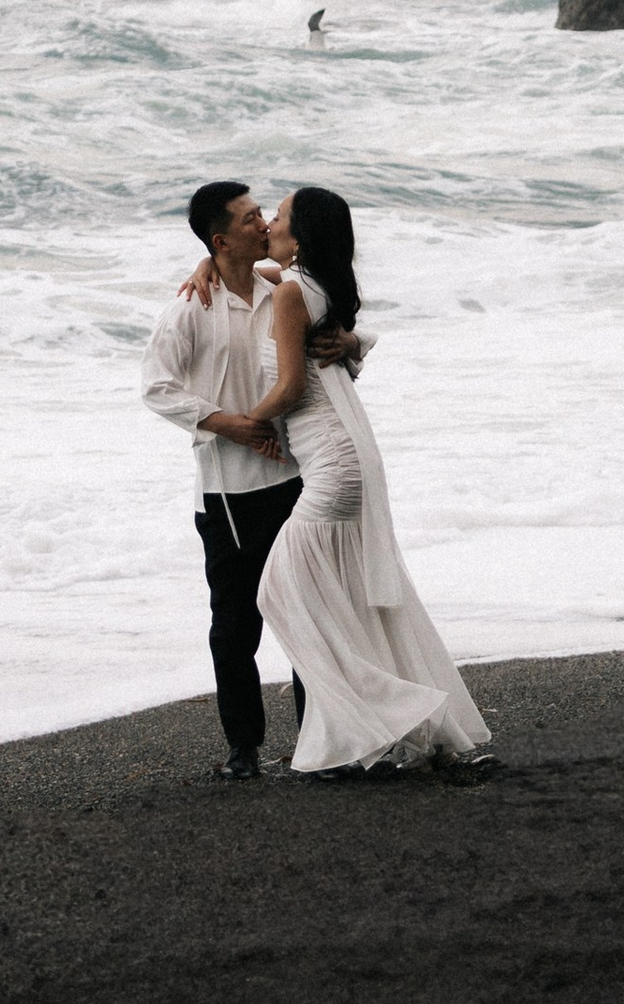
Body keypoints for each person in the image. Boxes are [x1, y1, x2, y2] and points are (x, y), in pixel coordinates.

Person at [183, 183, 492, 779]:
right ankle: (365, 727)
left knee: (281, 591)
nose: (269, 220)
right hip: (338, 452)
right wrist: (205, 261)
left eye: (280, 216)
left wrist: (245, 425)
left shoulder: (295, 290)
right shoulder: (304, 282)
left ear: (299, 236)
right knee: (332, 594)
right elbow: (248, 268)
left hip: (331, 462)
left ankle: (385, 713)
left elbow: (294, 386)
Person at [140, 180, 365, 783]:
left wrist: (352, 345)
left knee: (306, 613)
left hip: (296, 478)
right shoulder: (191, 306)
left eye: (264, 213)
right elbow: (156, 387)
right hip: (228, 492)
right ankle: (244, 748)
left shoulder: (278, 288)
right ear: (221, 239)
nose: (263, 222)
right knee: (236, 626)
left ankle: (320, 743)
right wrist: (228, 426)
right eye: (249, 218)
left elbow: (329, 360)